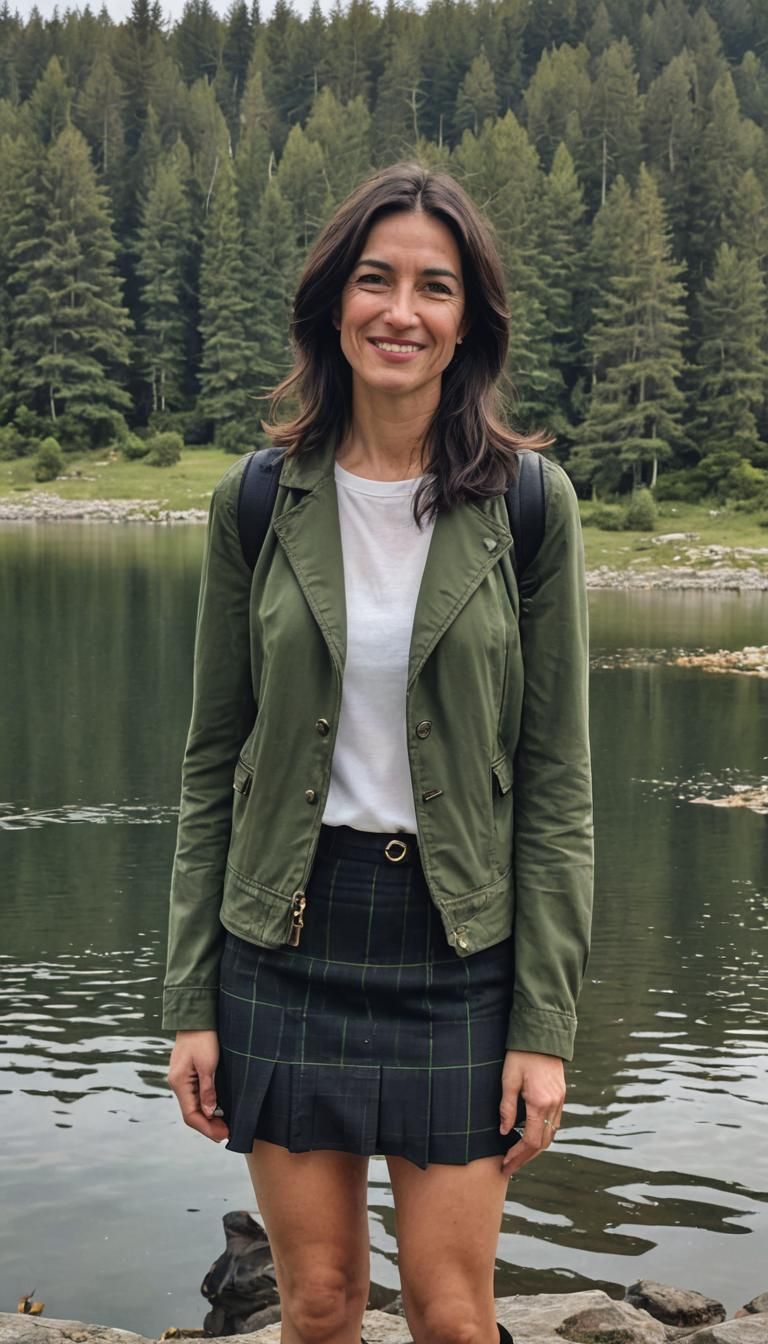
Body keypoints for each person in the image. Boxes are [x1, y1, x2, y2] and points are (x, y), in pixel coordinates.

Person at [163, 161, 594, 1344]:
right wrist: (191, 1001)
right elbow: (211, 762)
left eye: (433, 287)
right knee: (319, 1302)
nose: (401, 310)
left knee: (453, 1316)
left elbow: (558, 785)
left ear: (468, 322)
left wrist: (544, 1028)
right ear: (333, 306)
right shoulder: (256, 502)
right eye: (375, 279)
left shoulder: (531, 506)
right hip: (284, 938)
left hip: (460, 943)